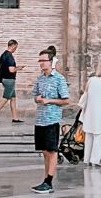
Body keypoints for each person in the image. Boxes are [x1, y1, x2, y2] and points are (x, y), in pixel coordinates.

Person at [29, 48, 69, 193]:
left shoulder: (59, 79)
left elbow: (66, 100)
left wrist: (49, 101)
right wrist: (37, 99)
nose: (41, 63)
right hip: (40, 119)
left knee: (52, 151)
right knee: (45, 151)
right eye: (39, 61)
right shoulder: (39, 78)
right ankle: (45, 179)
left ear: (51, 62)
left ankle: (49, 181)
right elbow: (35, 96)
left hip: (52, 119)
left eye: (43, 61)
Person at [77, 64, 101, 168]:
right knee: (98, 137)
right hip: (100, 113)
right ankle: (95, 159)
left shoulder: (91, 81)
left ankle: (87, 158)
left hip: (89, 112)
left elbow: (86, 94)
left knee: (89, 137)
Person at [0, 40, 21, 124]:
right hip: (9, 80)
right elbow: (11, 70)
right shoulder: (9, 56)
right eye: (16, 47)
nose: (16, 49)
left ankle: (15, 118)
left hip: (5, 78)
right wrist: (18, 68)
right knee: (6, 97)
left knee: (13, 98)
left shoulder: (3, 55)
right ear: (12, 46)